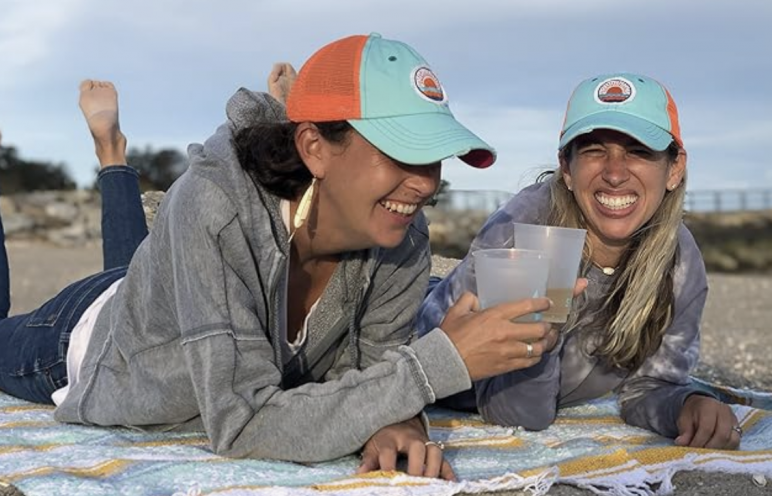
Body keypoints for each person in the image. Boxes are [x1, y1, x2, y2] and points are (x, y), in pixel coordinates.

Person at [0, 33, 560, 479]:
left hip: (173, 293)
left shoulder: (404, 244)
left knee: (141, 264)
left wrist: (403, 424)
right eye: (401, 154)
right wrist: (442, 362)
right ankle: (112, 154)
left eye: (435, 157)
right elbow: (243, 425)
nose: (424, 183)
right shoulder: (215, 206)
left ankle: (112, 156)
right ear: (314, 147)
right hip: (83, 339)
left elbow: (376, 378)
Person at [418, 73, 742, 450]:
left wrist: (687, 406)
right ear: (567, 169)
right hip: (427, 361)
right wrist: (547, 329)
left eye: (638, 150)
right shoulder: (525, 229)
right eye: (593, 149)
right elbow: (515, 411)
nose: (615, 173)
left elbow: (649, 388)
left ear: (674, 168)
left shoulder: (679, 262)